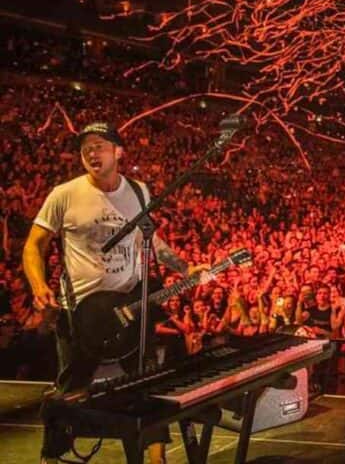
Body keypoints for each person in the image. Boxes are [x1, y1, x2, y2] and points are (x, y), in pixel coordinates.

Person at [22, 122, 210, 464]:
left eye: (99, 145)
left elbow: (151, 240)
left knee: (148, 384)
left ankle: (156, 459)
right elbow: (34, 244)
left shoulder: (139, 192)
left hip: (131, 307)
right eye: (86, 148)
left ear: (118, 152)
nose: (91, 153)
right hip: (81, 311)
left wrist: (184, 268)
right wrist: (38, 285)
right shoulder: (64, 194)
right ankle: (53, 457)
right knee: (71, 391)